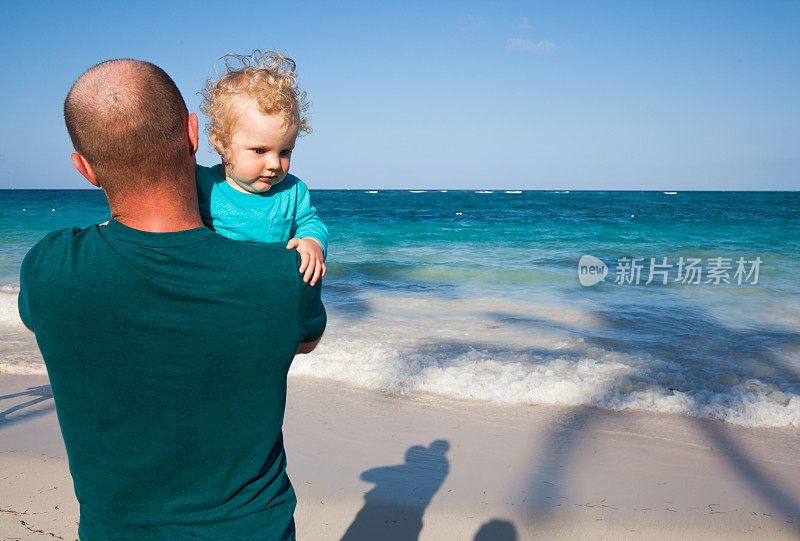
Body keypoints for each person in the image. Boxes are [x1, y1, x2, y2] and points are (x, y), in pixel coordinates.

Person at [17, 58, 325, 540]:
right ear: (194, 135)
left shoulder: (49, 268)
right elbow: (304, 339)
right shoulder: (282, 278)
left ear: (84, 168)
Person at [197, 50, 327, 286]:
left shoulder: (293, 191)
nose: (275, 164)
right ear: (220, 142)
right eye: (259, 150)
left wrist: (312, 241)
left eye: (285, 151)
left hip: (267, 289)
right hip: (216, 288)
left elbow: (311, 222)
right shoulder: (202, 184)